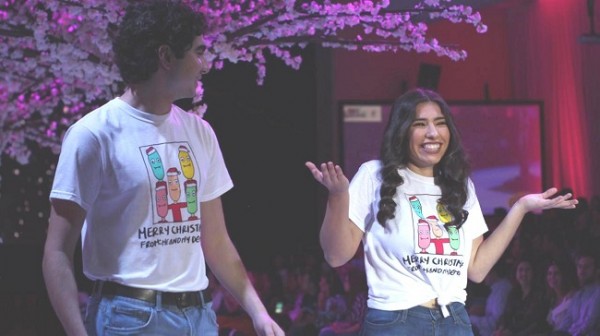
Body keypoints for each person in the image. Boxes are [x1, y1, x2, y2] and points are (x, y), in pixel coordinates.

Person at [41, 1, 284, 335]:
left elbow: (215, 240)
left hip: (199, 314)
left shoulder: (200, 132)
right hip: (128, 316)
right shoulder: (93, 135)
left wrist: (258, 312)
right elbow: (56, 252)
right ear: (166, 57)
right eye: (198, 52)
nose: (205, 64)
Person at [305, 88, 577, 335]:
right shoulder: (373, 175)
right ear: (402, 131)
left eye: (440, 123)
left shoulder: (460, 185)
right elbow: (336, 255)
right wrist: (338, 196)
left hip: (454, 320)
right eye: (420, 124)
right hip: (396, 321)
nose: (432, 133)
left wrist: (520, 208)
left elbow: (477, 269)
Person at [493, 258, 550, 336]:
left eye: (527, 270)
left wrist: (514, 333)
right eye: (520, 270)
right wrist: (501, 328)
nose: (524, 273)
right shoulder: (513, 293)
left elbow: (536, 322)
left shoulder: (540, 294)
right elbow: (506, 315)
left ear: (533, 272)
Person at [553, 251, 600, 335]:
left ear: (597, 270)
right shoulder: (578, 295)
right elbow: (567, 320)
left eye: (587, 267)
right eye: (580, 266)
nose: (582, 270)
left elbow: (589, 323)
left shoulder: (597, 293)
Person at [469, 260, 513, 336]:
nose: (483, 278)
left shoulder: (502, 289)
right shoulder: (496, 289)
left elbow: (496, 322)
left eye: (485, 274)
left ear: (493, 273)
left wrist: (471, 319)